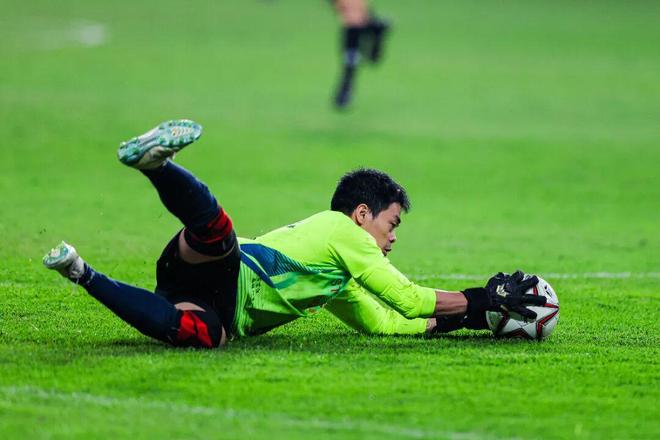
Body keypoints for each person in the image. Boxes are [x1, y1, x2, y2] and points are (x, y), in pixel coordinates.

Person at [43, 119, 544, 348]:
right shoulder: (340, 231)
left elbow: (386, 323)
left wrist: (468, 320)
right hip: (228, 270)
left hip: (214, 303)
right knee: (218, 235)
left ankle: (81, 271)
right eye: (391, 224)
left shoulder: (335, 274)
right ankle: (157, 165)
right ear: (361, 215)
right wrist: (482, 298)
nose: (393, 239)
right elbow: (409, 299)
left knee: (204, 335)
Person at [331, 0, 390, 108]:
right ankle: (377, 31)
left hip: (355, 25)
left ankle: (377, 33)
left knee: (355, 56)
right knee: (352, 57)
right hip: (353, 27)